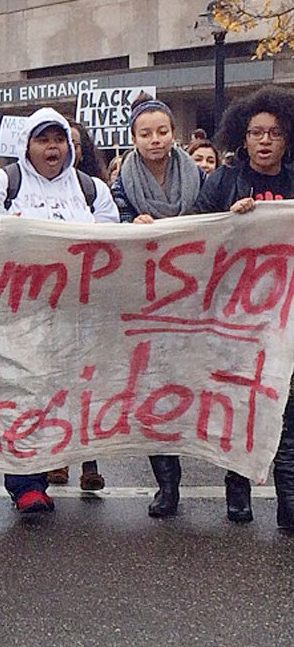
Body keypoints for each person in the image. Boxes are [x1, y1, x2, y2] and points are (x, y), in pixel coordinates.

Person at [0, 106, 119, 512]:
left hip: (76, 316)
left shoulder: (92, 190)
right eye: (42, 140)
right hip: (20, 319)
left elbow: (114, 241)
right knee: (24, 394)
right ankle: (26, 483)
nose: (52, 147)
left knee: (68, 392)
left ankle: (61, 459)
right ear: (27, 145)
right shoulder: (0, 184)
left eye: (58, 139)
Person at [197, 85, 294, 526]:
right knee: (240, 402)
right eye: (257, 132)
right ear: (243, 136)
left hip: (286, 316)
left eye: (274, 132)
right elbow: (194, 232)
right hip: (236, 315)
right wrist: (230, 223)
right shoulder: (222, 182)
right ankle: (238, 492)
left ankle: (289, 498)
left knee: (287, 410)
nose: (265, 141)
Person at [107, 97, 206, 518]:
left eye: (162, 131)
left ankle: (236, 485)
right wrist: (130, 223)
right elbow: (109, 225)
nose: (155, 140)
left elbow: (211, 218)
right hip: (145, 299)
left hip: (195, 296)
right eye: (145, 133)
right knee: (154, 387)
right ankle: (167, 483)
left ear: (174, 135)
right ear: (132, 139)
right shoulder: (121, 184)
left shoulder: (199, 178)